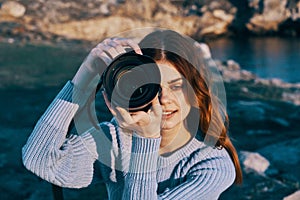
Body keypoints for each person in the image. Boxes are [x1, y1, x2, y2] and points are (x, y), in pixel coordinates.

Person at [22, 29, 242, 200]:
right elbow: (40, 160)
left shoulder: (212, 163)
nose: (163, 99)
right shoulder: (117, 139)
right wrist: (85, 74)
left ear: (196, 93)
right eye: (153, 86)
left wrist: (146, 140)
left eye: (176, 86)